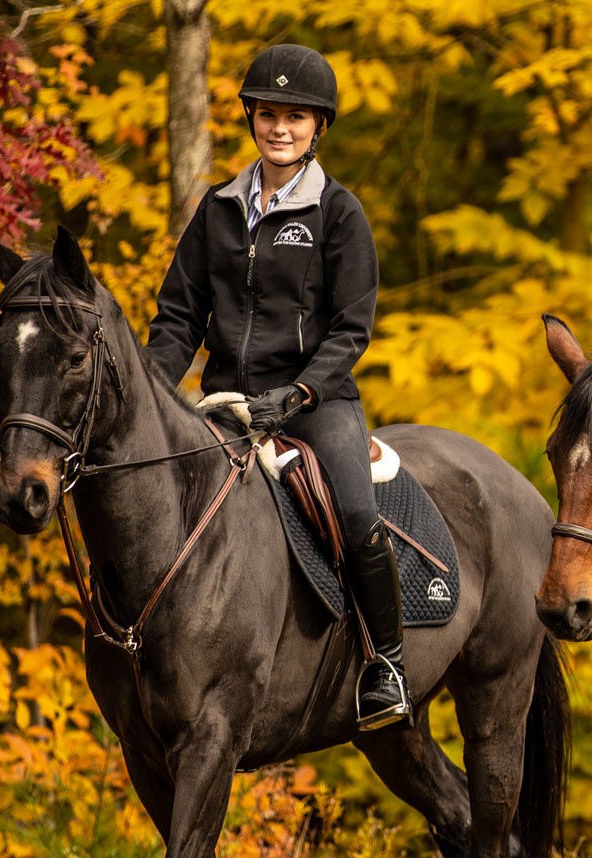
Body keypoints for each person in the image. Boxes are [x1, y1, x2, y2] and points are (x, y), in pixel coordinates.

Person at [145, 44, 410, 729]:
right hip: (226, 401)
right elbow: (179, 315)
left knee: (355, 514)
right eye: (269, 114)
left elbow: (351, 330)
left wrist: (298, 397)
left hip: (314, 403)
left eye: (295, 116)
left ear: (318, 126)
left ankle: (386, 663)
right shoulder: (219, 210)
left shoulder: (340, 215)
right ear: (253, 120)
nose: (280, 128)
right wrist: (153, 390)